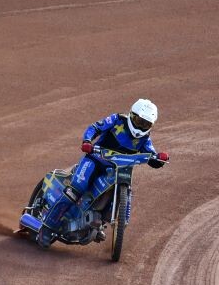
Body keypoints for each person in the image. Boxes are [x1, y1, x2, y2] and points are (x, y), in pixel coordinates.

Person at [37, 98, 167, 246]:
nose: (141, 127)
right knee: (76, 190)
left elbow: (151, 155)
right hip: (95, 160)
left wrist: (159, 159)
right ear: (131, 115)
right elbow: (95, 127)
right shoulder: (117, 119)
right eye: (139, 121)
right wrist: (87, 141)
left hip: (117, 171)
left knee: (120, 192)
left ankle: (97, 222)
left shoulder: (145, 138)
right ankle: (47, 228)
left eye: (146, 124)